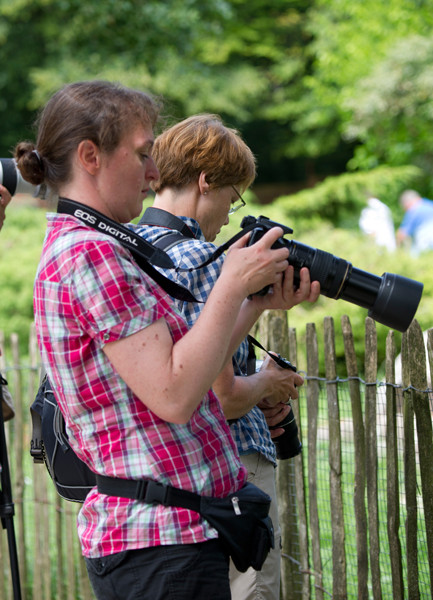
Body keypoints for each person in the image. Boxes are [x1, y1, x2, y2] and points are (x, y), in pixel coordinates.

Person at [15, 80, 318, 600]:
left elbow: (183, 369)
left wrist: (251, 304)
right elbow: (177, 396)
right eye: (142, 154)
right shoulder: (92, 254)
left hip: (164, 541)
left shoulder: (96, 245)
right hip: (159, 547)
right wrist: (230, 282)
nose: (155, 173)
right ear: (90, 156)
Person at [134, 114, 320, 600]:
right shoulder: (199, 258)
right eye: (232, 197)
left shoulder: (130, 248)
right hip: (229, 471)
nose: (228, 216)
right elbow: (221, 398)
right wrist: (269, 385)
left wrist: (254, 306)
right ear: (205, 181)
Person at [396, 189, 433, 255]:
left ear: (407, 203)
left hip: (426, 235)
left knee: (415, 254)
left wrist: (397, 247)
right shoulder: (429, 204)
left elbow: (402, 233)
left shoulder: (413, 209)